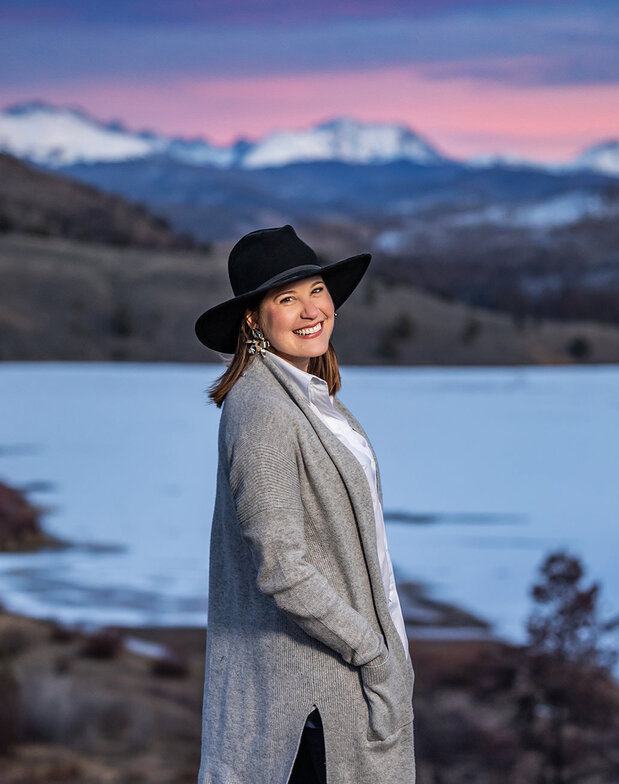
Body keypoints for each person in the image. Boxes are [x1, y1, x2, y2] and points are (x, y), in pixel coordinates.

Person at [193, 225, 415, 784]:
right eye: (286, 299)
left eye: (316, 290)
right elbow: (283, 568)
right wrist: (372, 652)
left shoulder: (309, 397)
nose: (311, 309)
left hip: (328, 685)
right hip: (309, 699)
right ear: (253, 319)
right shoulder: (262, 408)